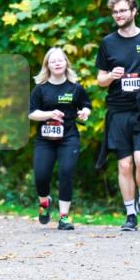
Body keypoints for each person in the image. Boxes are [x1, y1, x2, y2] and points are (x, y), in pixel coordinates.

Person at [95, 0, 140, 231]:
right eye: (115, 12)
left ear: (134, 11)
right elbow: (100, 79)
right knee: (124, 165)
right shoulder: (108, 43)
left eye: (123, 10)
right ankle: (130, 213)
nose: (118, 15)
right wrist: (110, 76)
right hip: (119, 110)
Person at [29, 47, 91, 230]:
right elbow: (31, 113)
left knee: (66, 173)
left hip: (69, 137)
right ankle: (44, 202)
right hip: (45, 140)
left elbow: (86, 105)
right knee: (41, 176)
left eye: (60, 60)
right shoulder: (40, 89)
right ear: (47, 65)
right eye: (53, 61)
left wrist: (84, 113)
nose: (57, 63)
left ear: (66, 63)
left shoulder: (75, 88)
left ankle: (64, 217)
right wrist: (49, 114)